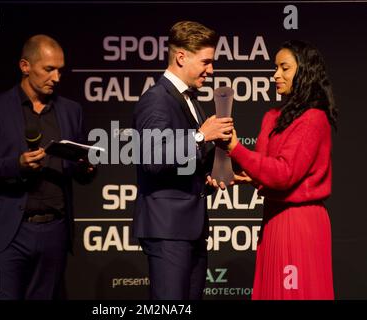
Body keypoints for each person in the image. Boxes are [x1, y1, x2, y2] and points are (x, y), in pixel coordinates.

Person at [0, 34, 96, 299]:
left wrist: (86, 167)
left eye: (60, 70)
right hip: (7, 234)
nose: (57, 78)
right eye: (48, 69)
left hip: (54, 232)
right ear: (25, 66)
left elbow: (76, 168)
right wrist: (16, 164)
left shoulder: (71, 110)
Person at [227, 40, 337, 299]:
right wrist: (248, 176)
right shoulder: (272, 117)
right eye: (275, 68)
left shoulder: (313, 118)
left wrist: (236, 149)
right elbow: (267, 170)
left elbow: (284, 174)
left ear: (304, 72)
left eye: (284, 68)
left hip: (299, 224)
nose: (276, 75)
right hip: (274, 220)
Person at [132, 21, 234, 300]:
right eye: (206, 62)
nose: (211, 70)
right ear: (181, 57)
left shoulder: (189, 99)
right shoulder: (156, 100)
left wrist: (209, 178)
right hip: (168, 231)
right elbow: (151, 158)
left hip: (190, 229)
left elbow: (183, 163)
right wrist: (201, 137)